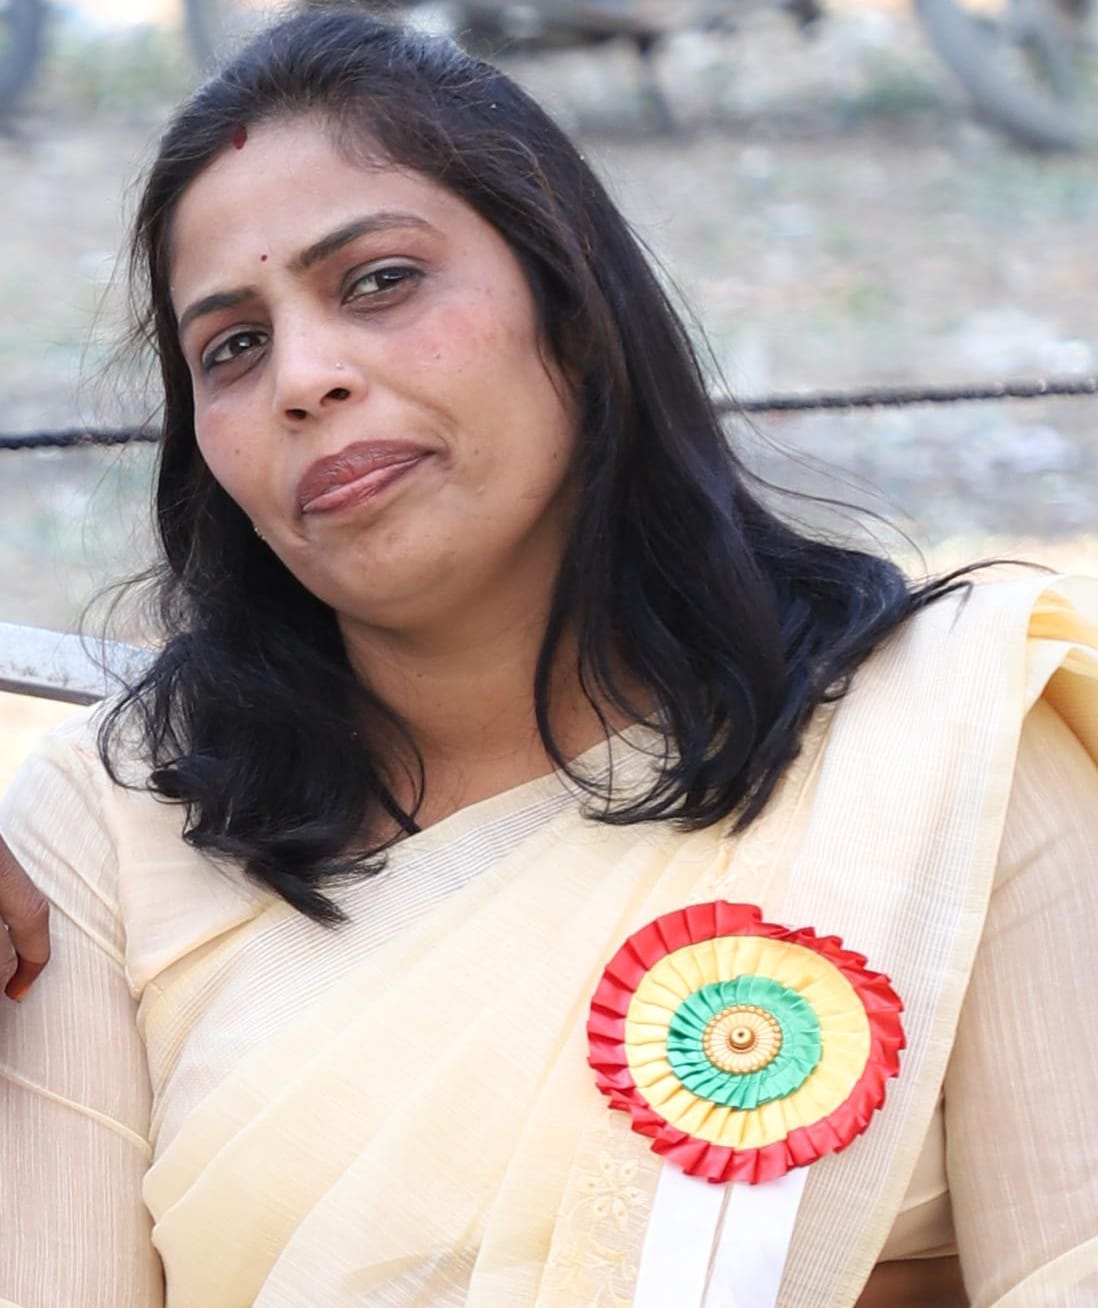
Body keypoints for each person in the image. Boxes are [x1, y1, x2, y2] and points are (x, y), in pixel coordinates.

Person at [1, 9, 1096, 1307]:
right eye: (231, 348)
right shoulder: (106, 828)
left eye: (379, 282)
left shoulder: (950, 743)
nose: (303, 376)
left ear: (570, 306)